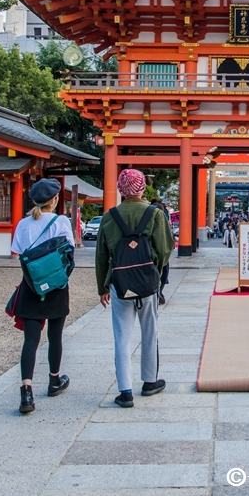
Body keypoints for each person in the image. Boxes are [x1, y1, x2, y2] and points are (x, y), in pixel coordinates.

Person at [96, 169, 174, 408]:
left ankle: (125, 391)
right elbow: (165, 249)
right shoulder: (155, 214)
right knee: (150, 331)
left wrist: (103, 287)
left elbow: (101, 256)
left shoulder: (109, 217)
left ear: (120, 189)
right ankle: (150, 381)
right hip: (147, 284)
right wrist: (155, 274)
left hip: (119, 284)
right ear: (142, 189)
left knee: (122, 337)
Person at [9, 178, 74, 414]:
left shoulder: (23, 224)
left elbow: (18, 252)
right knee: (55, 336)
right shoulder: (61, 221)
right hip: (55, 285)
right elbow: (69, 250)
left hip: (31, 285)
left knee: (31, 340)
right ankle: (54, 380)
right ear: (55, 200)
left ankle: (26, 391)